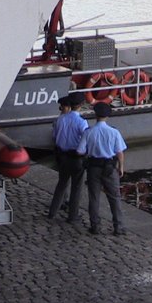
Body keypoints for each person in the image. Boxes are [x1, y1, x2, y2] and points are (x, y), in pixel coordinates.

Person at [76, 102, 127, 235]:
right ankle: (118, 227)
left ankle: (95, 226)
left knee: (94, 197)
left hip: (93, 168)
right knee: (114, 197)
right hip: (109, 167)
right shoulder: (114, 132)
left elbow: (80, 151)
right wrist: (121, 167)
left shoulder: (89, 132)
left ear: (95, 115)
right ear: (108, 116)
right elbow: (119, 152)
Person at [48, 93, 88, 222]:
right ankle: (73, 216)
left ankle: (52, 212)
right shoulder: (82, 122)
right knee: (76, 187)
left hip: (62, 156)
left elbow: (54, 137)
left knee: (61, 184)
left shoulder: (60, 119)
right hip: (76, 158)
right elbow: (86, 139)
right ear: (81, 105)